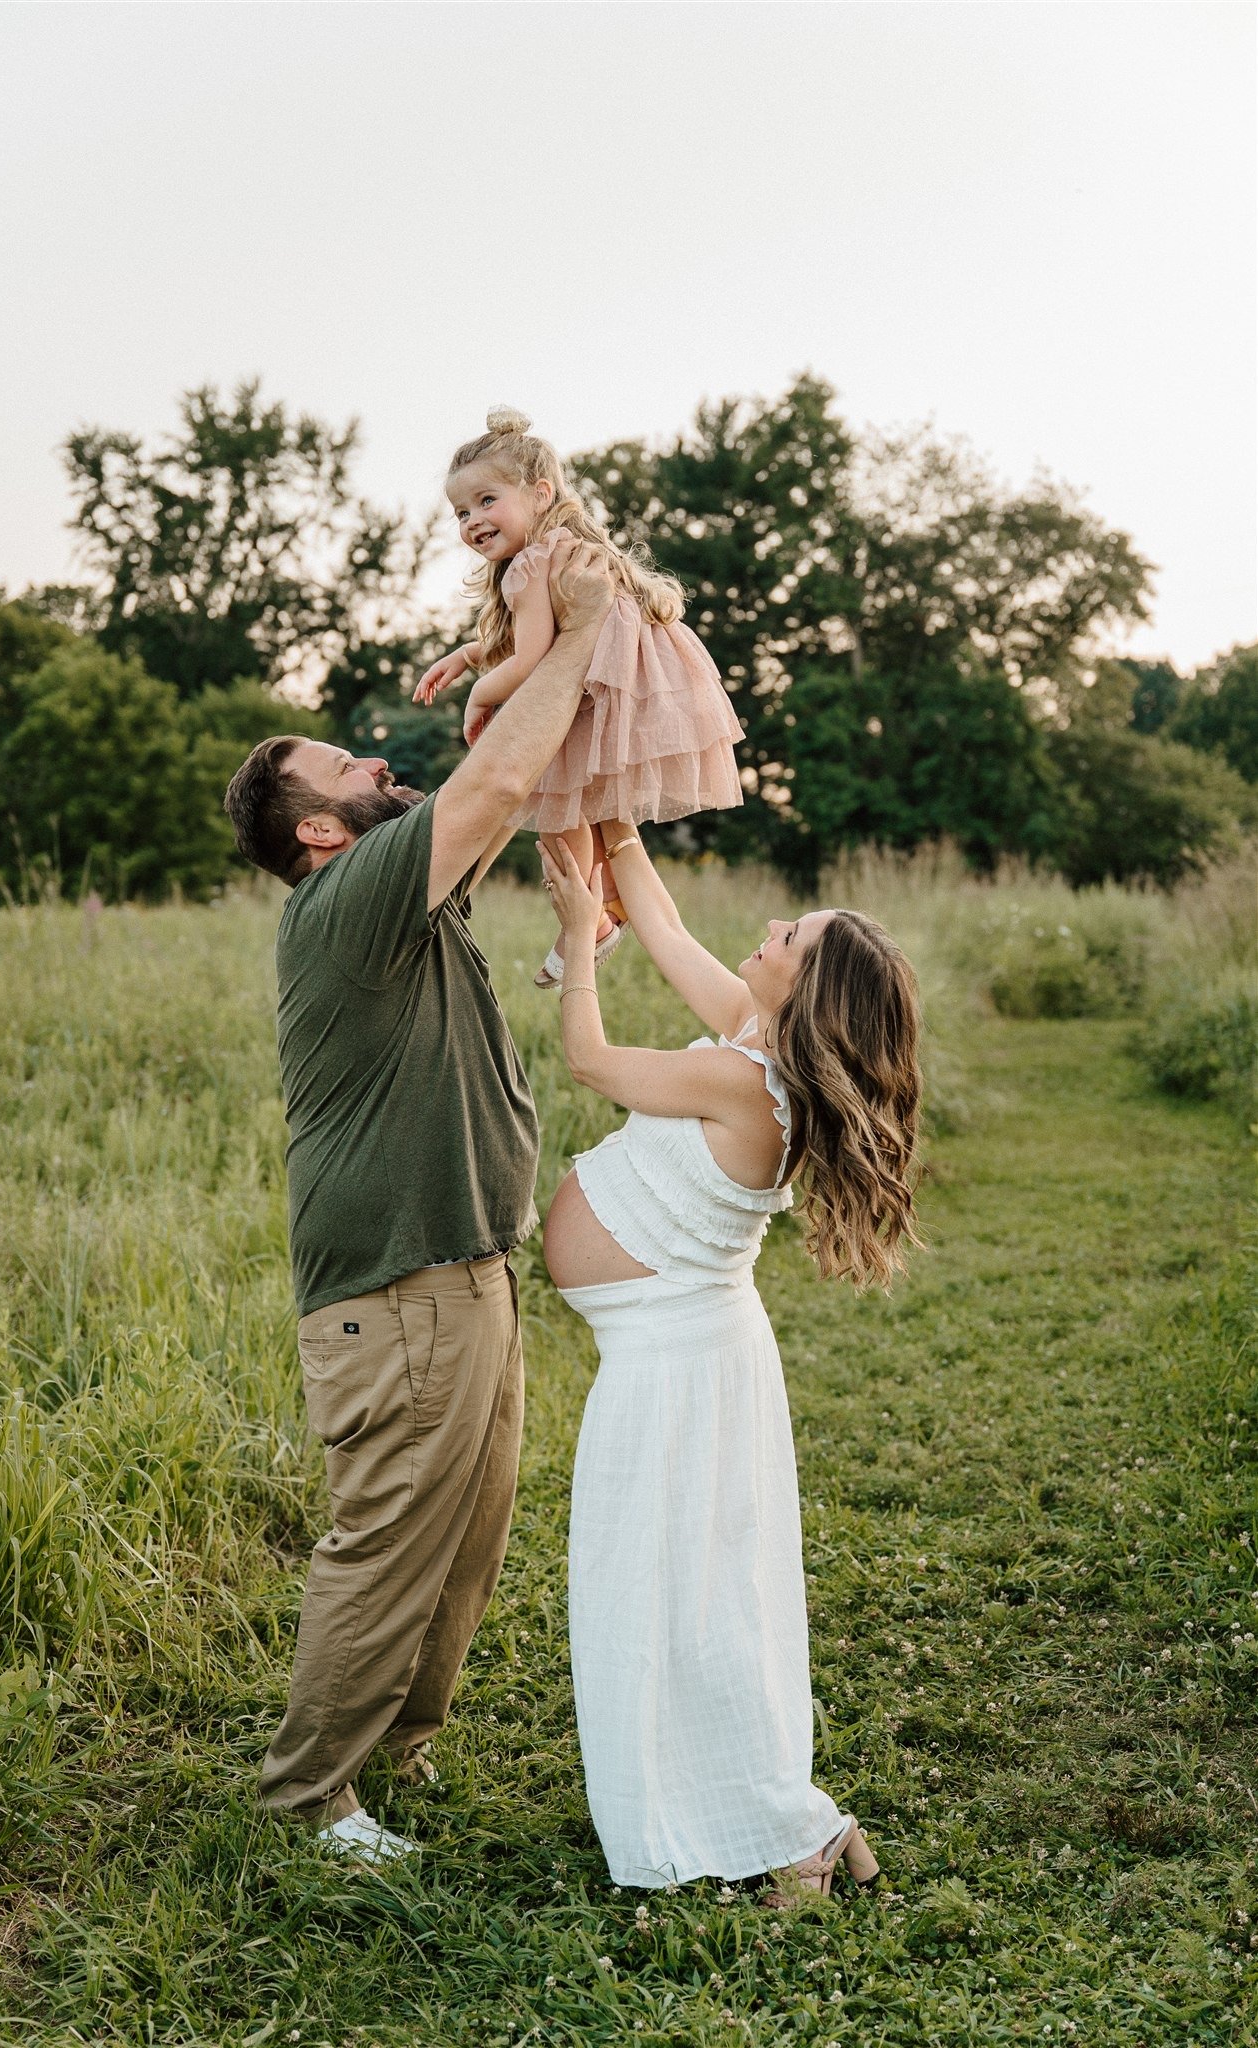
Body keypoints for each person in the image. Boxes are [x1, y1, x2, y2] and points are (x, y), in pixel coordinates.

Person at [222, 538, 614, 1865]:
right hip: (395, 1286)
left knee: (463, 1541)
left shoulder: (417, 901)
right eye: (343, 769)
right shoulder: (343, 900)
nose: (371, 764)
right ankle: (307, 1797)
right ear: (317, 831)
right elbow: (495, 777)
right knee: (389, 1538)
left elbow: (510, 774)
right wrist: (580, 616)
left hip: (467, 1265)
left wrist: (527, 637)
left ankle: (397, 1748)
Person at [539, 825, 923, 1902]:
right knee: (693, 1597)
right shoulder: (757, 1045)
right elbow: (660, 925)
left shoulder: (739, 1078)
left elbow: (589, 1062)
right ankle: (792, 1824)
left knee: (683, 1600)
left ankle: (785, 1830)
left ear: (806, 985)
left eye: (787, 933)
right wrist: (614, 831)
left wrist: (577, 939)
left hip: (675, 1360)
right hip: (682, 1347)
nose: (767, 927)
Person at [412, 407, 744, 987]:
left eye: (487, 501)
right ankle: (608, 897)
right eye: (462, 512)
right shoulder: (566, 549)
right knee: (587, 801)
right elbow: (543, 638)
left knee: (558, 805)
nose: (472, 521)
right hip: (633, 681)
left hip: (600, 683)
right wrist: (467, 656)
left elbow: (532, 660)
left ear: (540, 494)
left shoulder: (529, 566)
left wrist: (479, 696)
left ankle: (584, 925)